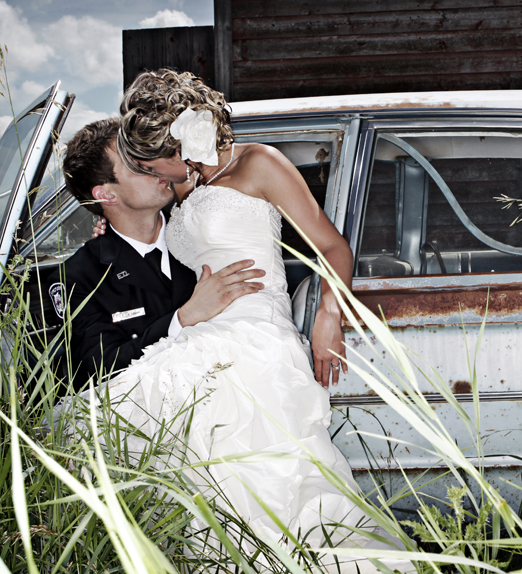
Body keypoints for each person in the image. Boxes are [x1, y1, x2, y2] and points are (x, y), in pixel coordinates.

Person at [105, 70, 410, 571]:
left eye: (149, 162)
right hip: (204, 332)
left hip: (258, 335)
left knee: (260, 479)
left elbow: (332, 246)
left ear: (180, 146)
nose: (148, 173)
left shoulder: (259, 163)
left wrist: (328, 317)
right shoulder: (187, 185)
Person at [57, 118, 266, 390]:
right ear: (106, 194)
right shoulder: (80, 275)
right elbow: (101, 367)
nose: (154, 164)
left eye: (151, 152)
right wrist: (182, 318)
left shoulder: (207, 228)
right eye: (136, 164)